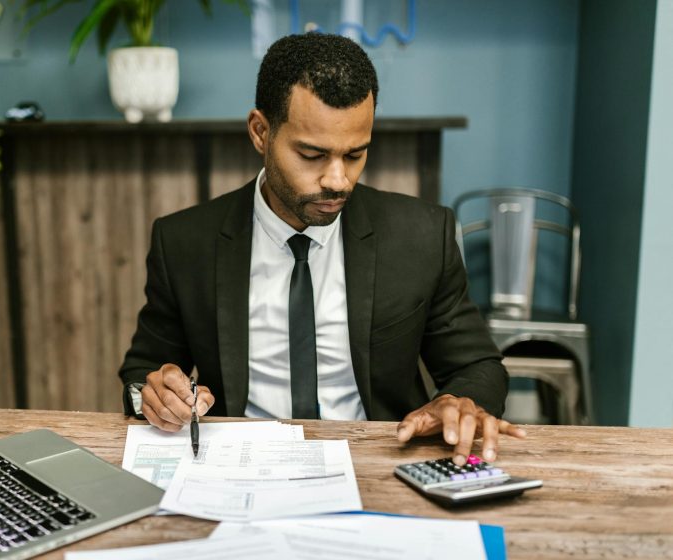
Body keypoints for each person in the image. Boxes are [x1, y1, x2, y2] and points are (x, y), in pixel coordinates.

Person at [119, 33, 525, 465]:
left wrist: (459, 400)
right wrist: (155, 394)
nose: (337, 180)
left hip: (381, 461)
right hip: (237, 465)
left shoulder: (423, 235)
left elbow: (478, 366)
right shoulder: (185, 241)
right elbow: (143, 372)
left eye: (355, 154)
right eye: (312, 155)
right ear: (261, 132)